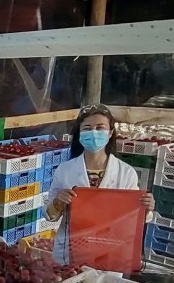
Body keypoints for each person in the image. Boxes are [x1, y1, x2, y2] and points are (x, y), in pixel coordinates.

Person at [44, 104, 155, 267]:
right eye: (87, 128)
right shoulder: (65, 170)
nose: (94, 133)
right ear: (80, 134)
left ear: (110, 133)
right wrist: (58, 202)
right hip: (71, 251)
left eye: (100, 128)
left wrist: (146, 208)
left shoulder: (126, 173)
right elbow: (49, 215)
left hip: (109, 251)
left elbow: (133, 218)